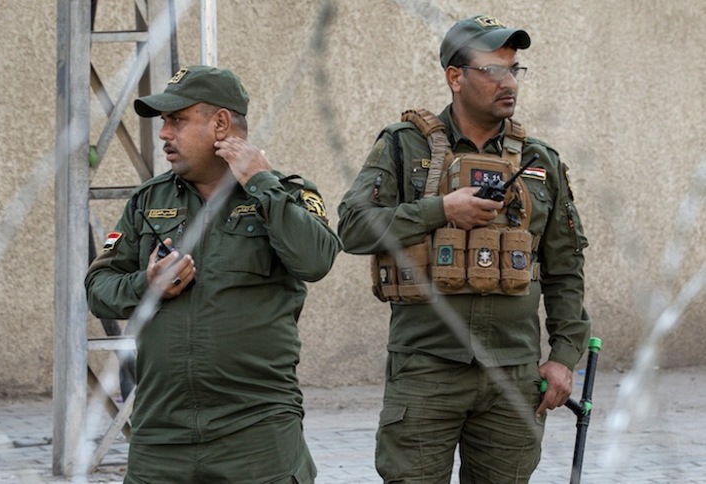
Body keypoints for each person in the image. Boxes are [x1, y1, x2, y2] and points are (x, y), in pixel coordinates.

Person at [337, 14, 590, 483]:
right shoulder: (403, 147)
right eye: (493, 70)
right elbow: (353, 228)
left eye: (515, 69)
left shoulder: (539, 161)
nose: (509, 81)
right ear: (455, 77)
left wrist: (563, 356)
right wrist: (440, 211)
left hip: (513, 373)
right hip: (427, 367)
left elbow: (565, 266)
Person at [85, 65, 342, 484]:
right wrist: (145, 285)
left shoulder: (286, 194)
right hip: (160, 435)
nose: (165, 133)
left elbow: (316, 260)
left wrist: (261, 182)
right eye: (164, 122)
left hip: (256, 435)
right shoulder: (148, 202)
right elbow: (97, 288)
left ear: (221, 123)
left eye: (177, 120)